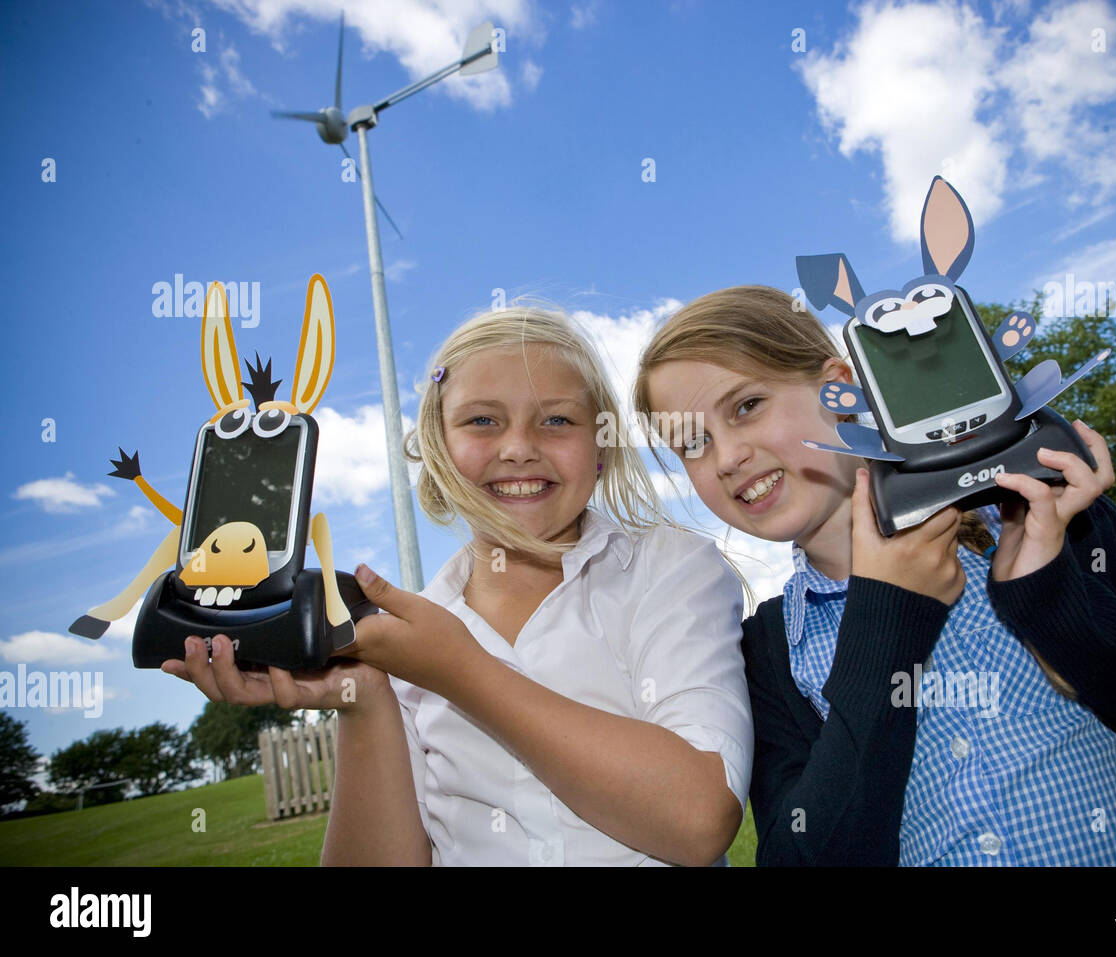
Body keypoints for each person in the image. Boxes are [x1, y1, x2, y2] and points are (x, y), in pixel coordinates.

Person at [633, 284, 1116, 866]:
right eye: (691, 442)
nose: (726, 457)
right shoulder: (769, 651)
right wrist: (886, 617)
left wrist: (1051, 602)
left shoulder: (1049, 522)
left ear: (840, 387)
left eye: (746, 405)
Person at [163, 305, 753, 866]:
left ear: (600, 448)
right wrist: (367, 699)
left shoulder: (670, 569)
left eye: (556, 420)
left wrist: (457, 669)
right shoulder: (393, 636)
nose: (519, 448)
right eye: (482, 421)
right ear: (439, 451)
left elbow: (697, 820)